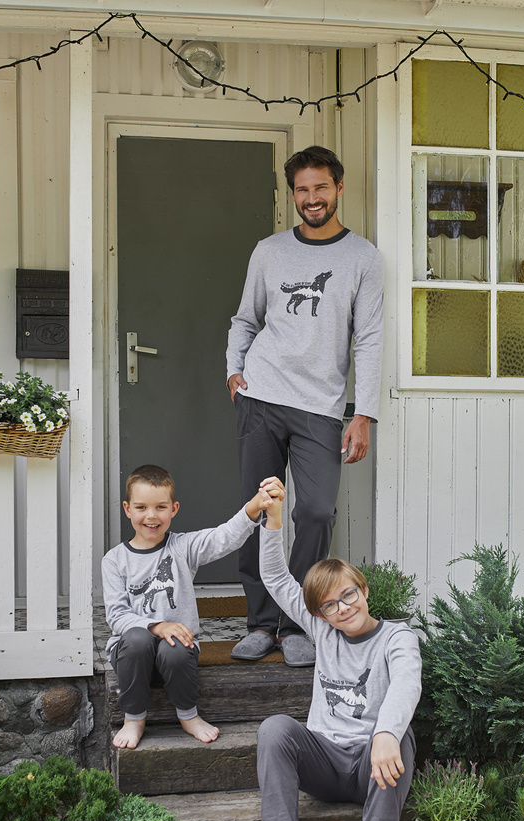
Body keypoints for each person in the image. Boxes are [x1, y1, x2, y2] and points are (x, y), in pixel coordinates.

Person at [226, 145, 384, 668]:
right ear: (292, 193)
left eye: (320, 187)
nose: (311, 198)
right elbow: (245, 319)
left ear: (338, 187)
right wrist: (234, 371)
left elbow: (369, 338)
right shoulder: (269, 251)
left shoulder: (362, 257)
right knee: (257, 511)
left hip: (320, 405)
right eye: (302, 189)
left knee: (316, 511)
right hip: (262, 396)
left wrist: (363, 413)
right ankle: (260, 622)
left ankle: (296, 619)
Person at [254, 478, 421, 821]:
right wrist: (273, 519)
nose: (343, 608)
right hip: (326, 766)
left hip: (374, 765)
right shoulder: (324, 632)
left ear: (363, 590)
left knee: (401, 735)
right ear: (319, 614)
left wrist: (384, 733)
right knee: (273, 729)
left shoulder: (397, 637)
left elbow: (407, 683)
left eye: (348, 595)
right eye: (330, 605)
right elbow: (275, 578)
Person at [102, 464, 284, 750]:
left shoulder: (182, 547)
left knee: (174, 645)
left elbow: (224, 536)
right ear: (127, 509)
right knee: (137, 638)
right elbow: (117, 616)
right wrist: (158, 626)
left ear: (174, 509)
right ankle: (134, 718)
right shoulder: (114, 560)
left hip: (177, 657)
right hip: (132, 657)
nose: (151, 516)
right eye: (141, 507)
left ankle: (188, 715)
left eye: (161, 507)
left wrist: (254, 506)